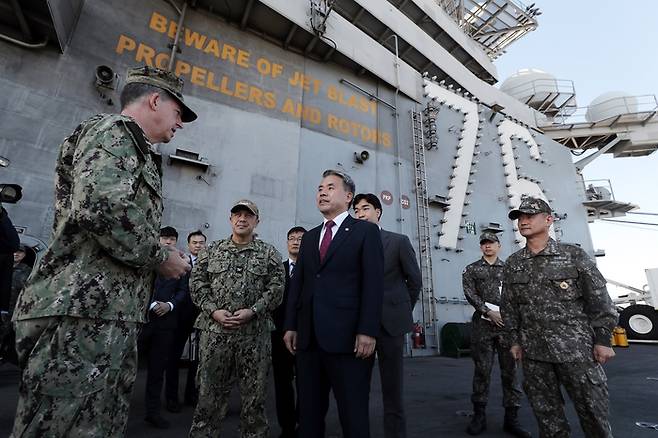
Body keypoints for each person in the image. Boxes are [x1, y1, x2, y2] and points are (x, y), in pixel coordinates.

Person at [10, 65, 195, 437]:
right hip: (80, 314)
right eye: (178, 113)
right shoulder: (114, 132)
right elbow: (100, 208)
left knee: (97, 424)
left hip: (106, 315)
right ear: (156, 100)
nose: (180, 124)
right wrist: (162, 257)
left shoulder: (138, 150)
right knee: (60, 425)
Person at [501, 196, 617, 438]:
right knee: (548, 421)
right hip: (534, 354)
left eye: (530, 216)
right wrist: (514, 340)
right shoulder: (513, 263)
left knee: (594, 415)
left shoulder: (573, 255)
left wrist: (603, 339)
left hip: (576, 351)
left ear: (548, 219)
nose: (523, 221)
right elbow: (509, 307)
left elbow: (599, 299)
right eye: (520, 217)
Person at [284, 170, 384, 438]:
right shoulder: (309, 237)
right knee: (309, 414)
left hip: (349, 341)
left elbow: (373, 285)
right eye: (319, 188)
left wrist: (367, 330)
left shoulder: (365, 232)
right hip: (308, 341)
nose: (322, 192)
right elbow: (299, 284)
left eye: (330, 187)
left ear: (348, 196)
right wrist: (291, 325)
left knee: (353, 414)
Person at [189, 199, 285, 438]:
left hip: (254, 336)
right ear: (230, 219)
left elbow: (276, 289)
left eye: (248, 215)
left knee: (254, 398)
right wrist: (213, 310)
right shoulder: (211, 251)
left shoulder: (269, 253)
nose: (242, 219)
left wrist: (253, 310)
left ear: (256, 221)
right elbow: (197, 283)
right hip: (215, 334)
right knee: (209, 396)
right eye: (237, 215)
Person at [352, 193, 421, 438]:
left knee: (393, 391)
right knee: (357, 391)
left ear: (378, 212)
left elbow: (414, 281)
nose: (360, 213)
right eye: (356, 210)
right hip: (360, 329)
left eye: (366, 208)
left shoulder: (398, 241)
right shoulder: (351, 244)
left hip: (390, 327)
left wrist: (399, 309)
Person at [462, 232, 529, 437]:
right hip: (483, 327)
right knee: (482, 372)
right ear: (481, 247)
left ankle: (512, 419)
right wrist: (487, 311)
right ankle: (479, 416)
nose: (487, 246)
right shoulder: (472, 269)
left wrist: (507, 315)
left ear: (498, 246)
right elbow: (469, 292)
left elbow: (518, 294)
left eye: (491, 243)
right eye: (484, 243)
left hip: (506, 328)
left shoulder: (509, 269)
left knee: (510, 373)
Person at [139, 226, 189, 428]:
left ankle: (152, 412)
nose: (168, 242)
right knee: (127, 366)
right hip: (144, 321)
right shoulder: (147, 260)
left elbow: (182, 291)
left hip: (166, 324)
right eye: (164, 238)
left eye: (172, 239)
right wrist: (152, 304)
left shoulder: (180, 263)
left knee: (157, 370)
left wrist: (169, 305)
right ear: (158, 240)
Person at [165, 230, 206, 412]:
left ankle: (192, 394)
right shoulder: (180, 261)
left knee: (197, 360)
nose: (198, 245)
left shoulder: (208, 264)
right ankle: (171, 398)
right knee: (173, 358)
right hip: (179, 317)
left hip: (201, 318)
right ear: (189, 245)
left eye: (201, 242)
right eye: (195, 242)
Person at [271, 226, 306, 438]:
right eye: (291, 238)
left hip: (305, 338)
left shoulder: (314, 270)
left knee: (306, 385)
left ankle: (305, 423)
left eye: (300, 239)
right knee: (282, 385)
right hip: (279, 337)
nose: (295, 242)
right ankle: (287, 427)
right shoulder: (278, 270)